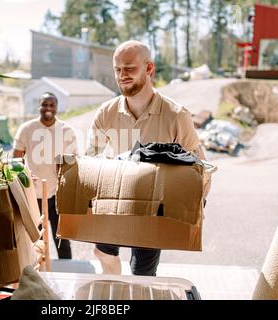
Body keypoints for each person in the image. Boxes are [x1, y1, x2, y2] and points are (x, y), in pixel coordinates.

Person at [86, 40, 211, 276]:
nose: (122, 75)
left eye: (129, 68)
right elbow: (89, 159)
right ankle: (116, 288)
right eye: (117, 69)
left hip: (153, 205)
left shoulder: (176, 116)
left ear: (149, 68)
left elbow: (199, 165)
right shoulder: (106, 112)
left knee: (142, 274)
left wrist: (198, 202)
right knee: (102, 252)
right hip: (115, 199)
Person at [13, 92, 78, 259]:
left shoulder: (66, 130)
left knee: (62, 238)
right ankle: (39, 272)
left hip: (58, 193)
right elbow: (15, 161)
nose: (48, 108)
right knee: (37, 238)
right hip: (33, 193)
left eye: (51, 105)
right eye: (44, 104)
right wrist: (24, 175)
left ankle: (66, 272)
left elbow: (74, 162)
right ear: (39, 106)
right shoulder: (27, 129)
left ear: (57, 107)